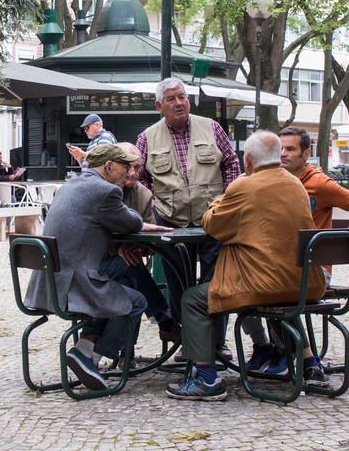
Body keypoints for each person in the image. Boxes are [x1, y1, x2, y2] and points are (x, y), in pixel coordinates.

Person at [166, 131, 327, 401]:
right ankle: (311, 364)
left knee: (192, 299)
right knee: (281, 293)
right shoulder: (296, 183)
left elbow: (212, 224)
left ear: (248, 160)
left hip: (262, 286)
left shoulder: (245, 186)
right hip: (303, 285)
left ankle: (206, 379)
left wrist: (223, 195)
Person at [24, 144, 171, 390]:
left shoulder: (71, 184)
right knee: (135, 302)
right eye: (125, 166)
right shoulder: (105, 191)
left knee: (127, 265)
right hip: (72, 285)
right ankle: (89, 356)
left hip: (49, 281)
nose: (129, 172)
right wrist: (136, 223)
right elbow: (132, 220)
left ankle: (87, 348)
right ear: (108, 166)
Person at [242, 127, 349, 375]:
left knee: (271, 287)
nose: (284, 154)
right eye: (281, 149)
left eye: (291, 149)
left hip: (314, 268)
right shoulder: (271, 178)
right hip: (281, 263)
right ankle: (268, 348)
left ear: (306, 153)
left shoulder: (318, 182)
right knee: (239, 283)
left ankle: (292, 354)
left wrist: (346, 245)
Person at [135, 77, 241, 361]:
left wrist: (227, 200)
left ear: (189, 99)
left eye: (181, 96)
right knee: (178, 282)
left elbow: (231, 163)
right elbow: (140, 179)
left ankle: (217, 343)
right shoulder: (147, 137)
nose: (178, 103)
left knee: (215, 281)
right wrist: (153, 204)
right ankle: (188, 341)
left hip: (213, 221)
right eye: (170, 99)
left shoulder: (212, 127)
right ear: (159, 106)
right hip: (171, 222)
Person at [101, 142, 181, 345]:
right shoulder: (101, 192)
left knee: (130, 280)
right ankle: (163, 320)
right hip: (95, 268)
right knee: (130, 266)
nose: (132, 172)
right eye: (128, 166)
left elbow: (151, 242)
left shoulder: (143, 195)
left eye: (137, 167)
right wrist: (118, 249)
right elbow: (92, 238)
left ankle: (121, 355)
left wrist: (138, 246)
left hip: (125, 269)